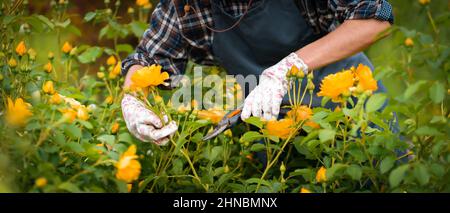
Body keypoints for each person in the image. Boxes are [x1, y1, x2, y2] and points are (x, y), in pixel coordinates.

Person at [121, 0, 394, 145]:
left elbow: (376, 18)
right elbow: (147, 58)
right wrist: (134, 101)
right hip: (269, 129)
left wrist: (287, 68)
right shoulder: (187, 5)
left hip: (349, 113)